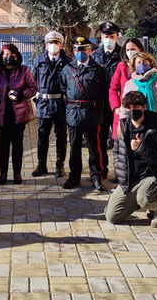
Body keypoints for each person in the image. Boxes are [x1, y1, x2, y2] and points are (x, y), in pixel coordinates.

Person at [104, 91, 157, 226]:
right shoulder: (122, 126)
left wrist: (142, 149)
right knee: (112, 217)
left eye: (136, 108)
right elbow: (117, 153)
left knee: (145, 199)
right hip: (130, 179)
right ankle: (137, 200)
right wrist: (121, 175)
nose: (132, 111)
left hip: (151, 176)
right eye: (128, 108)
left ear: (143, 107)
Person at [61, 37, 108, 191]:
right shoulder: (67, 69)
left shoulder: (99, 70)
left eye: (83, 49)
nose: (80, 52)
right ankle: (74, 178)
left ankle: (96, 177)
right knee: (74, 147)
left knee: (95, 148)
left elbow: (105, 92)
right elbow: (63, 89)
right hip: (73, 113)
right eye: (77, 49)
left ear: (89, 50)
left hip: (92, 113)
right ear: (73, 51)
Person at [0, 43, 37, 185]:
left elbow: (33, 88)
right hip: (2, 115)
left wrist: (21, 94)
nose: (8, 57)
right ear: (1, 56)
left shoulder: (24, 70)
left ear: (16, 55)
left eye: (10, 54)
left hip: (19, 115)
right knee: (3, 145)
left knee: (17, 145)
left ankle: (17, 173)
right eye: (5, 54)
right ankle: (3, 173)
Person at [31, 31, 71, 178]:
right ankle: (41, 165)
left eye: (56, 42)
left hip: (61, 104)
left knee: (61, 136)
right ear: (46, 45)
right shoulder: (38, 62)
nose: (53, 45)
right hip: (43, 104)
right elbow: (32, 83)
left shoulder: (68, 63)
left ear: (61, 45)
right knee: (42, 136)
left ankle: (60, 166)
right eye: (50, 42)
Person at [90, 21, 122, 178]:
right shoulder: (94, 56)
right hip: (100, 104)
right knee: (100, 138)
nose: (108, 38)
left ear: (116, 37)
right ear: (101, 37)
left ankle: (121, 172)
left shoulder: (123, 55)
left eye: (111, 36)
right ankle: (102, 169)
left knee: (119, 138)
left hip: (118, 104)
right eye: (105, 36)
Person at [109, 38, 144, 140]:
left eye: (133, 49)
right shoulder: (121, 66)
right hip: (124, 110)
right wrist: (116, 107)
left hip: (141, 110)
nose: (130, 52)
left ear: (140, 49)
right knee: (122, 144)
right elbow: (113, 89)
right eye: (127, 50)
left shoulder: (144, 65)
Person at [121, 52, 157, 116]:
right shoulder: (130, 84)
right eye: (139, 62)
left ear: (150, 63)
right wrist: (122, 121)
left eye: (145, 61)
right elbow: (125, 105)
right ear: (134, 66)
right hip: (137, 121)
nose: (142, 64)